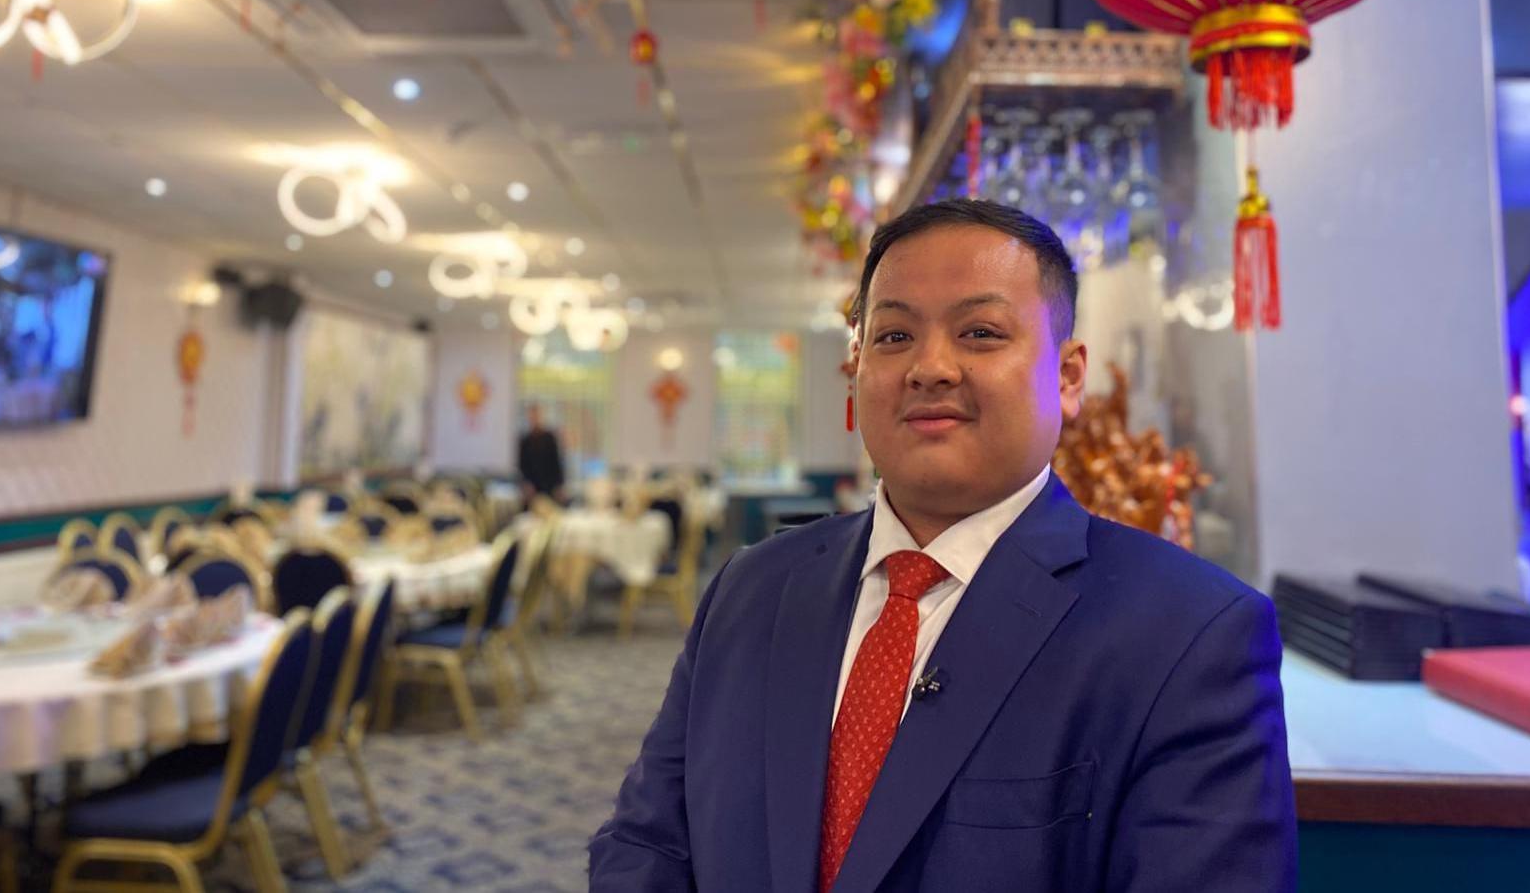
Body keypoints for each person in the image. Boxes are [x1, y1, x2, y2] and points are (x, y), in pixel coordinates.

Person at [588, 199, 1295, 892]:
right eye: (894, 338)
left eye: (980, 333)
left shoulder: (1189, 635)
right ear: (856, 371)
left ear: (1069, 375)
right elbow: (647, 842)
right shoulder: (752, 590)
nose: (930, 367)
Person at [517, 402, 566, 503]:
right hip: (532, 487)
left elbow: (556, 462)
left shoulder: (550, 438)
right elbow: (522, 465)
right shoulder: (525, 440)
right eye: (532, 415)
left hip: (550, 486)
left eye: (537, 415)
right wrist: (525, 483)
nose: (534, 418)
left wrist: (559, 485)